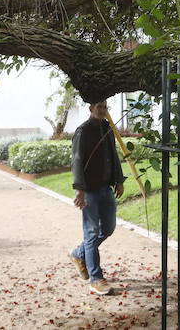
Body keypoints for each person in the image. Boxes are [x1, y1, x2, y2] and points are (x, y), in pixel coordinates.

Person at [68, 98, 125, 295]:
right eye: (99, 107)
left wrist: (119, 180)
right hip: (89, 190)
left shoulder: (107, 128)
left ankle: (78, 253)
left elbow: (114, 155)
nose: (102, 110)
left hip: (106, 189)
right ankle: (96, 278)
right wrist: (80, 190)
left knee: (108, 228)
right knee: (91, 233)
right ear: (91, 108)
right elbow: (76, 161)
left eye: (104, 107)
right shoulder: (82, 132)